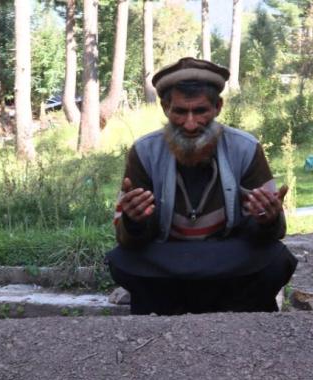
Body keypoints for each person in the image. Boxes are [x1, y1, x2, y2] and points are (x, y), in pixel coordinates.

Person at [105, 57, 297, 315]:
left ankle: (235, 316)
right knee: (121, 261)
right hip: (169, 257)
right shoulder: (144, 152)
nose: (191, 124)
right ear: (165, 108)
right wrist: (134, 220)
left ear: (218, 107)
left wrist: (267, 219)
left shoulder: (245, 148)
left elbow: (270, 232)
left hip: (226, 256)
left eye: (201, 111)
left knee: (277, 259)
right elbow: (129, 240)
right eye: (180, 112)